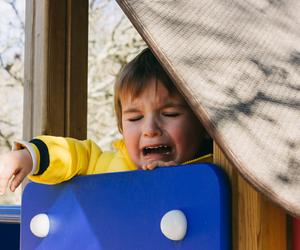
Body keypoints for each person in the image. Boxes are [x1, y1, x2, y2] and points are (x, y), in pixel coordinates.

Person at [0, 48, 212, 195]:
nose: (150, 129)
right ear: (121, 127)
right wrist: (29, 156)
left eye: (170, 114)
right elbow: (72, 155)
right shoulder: (106, 166)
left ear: (204, 122)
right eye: (135, 118)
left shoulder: (221, 173)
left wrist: (179, 179)